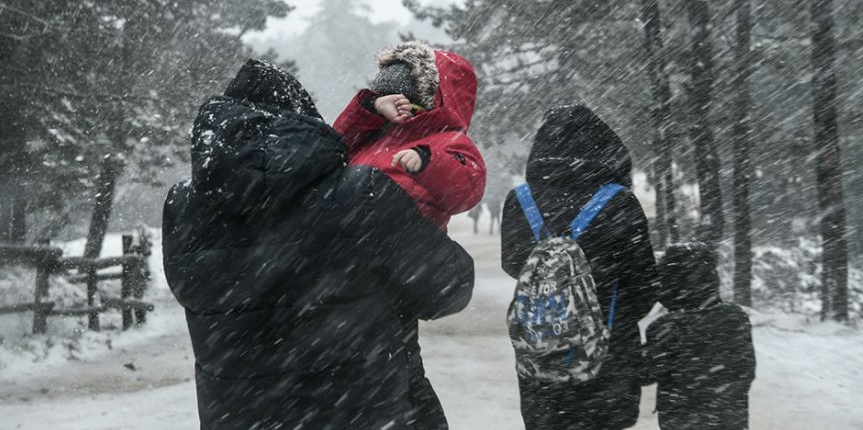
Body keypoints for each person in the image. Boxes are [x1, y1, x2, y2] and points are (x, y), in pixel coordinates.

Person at [162, 59, 475, 429]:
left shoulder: (183, 209)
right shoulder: (361, 195)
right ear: (305, 122)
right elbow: (449, 288)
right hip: (365, 414)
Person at [501, 105, 659, 430]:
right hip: (607, 353)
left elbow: (514, 265)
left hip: (542, 349)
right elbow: (643, 284)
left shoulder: (520, 200)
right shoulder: (619, 202)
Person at [333, 40, 486, 231]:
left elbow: (467, 190)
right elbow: (336, 144)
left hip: (407, 244)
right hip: (349, 240)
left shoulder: (449, 141)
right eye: (385, 97)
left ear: (426, 103)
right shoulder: (371, 135)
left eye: (406, 102)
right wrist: (373, 107)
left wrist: (428, 160)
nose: (395, 110)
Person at [645, 243, 756, 430]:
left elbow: (645, 372)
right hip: (729, 418)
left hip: (682, 421)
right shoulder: (735, 316)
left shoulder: (667, 327)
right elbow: (745, 370)